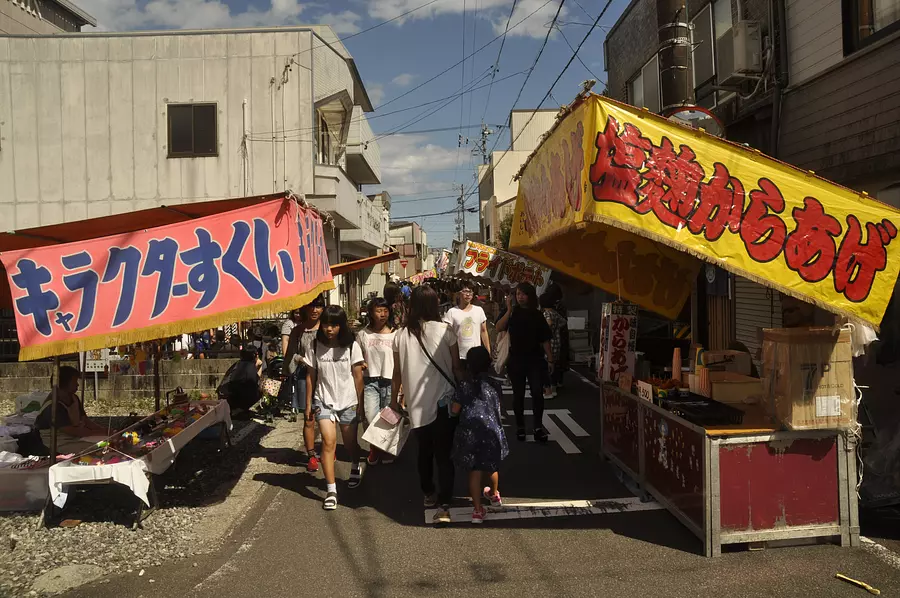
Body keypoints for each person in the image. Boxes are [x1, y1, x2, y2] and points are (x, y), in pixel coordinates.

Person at [391, 286, 462, 524]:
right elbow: (455, 367)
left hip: (416, 404)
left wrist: (393, 399)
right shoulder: (446, 331)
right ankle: (445, 499)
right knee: (444, 453)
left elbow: (397, 372)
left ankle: (428, 493)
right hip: (445, 402)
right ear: (434, 305)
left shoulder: (401, 335)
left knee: (424, 451)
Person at [304, 305, 366, 510]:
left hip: (348, 401)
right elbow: (311, 376)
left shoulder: (351, 346)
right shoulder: (314, 345)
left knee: (349, 445)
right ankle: (331, 490)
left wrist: (361, 405)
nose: (329, 329)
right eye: (325, 325)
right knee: (328, 443)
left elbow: (358, 377)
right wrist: (308, 405)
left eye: (334, 325)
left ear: (341, 326)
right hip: (323, 400)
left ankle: (356, 463)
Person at [451, 346, 509, 524]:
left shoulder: (464, 385)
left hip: (470, 432)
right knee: (491, 465)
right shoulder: (495, 384)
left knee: (475, 471)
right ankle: (494, 494)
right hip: (491, 429)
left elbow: (455, 410)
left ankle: (477, 511)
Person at [496, 283, 553, 443]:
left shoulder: (537, 314)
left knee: (537, 393)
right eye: (518, 294)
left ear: (531, 296)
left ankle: (537, 428)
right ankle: (520, 427)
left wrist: (550, 358)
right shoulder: (512, 313)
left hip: (535, 360)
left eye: (524, 294)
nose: (520, 297)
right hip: (516, 360)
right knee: (518, 395)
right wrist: (508, 309)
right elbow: (499, 327)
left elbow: (545, 339)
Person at [286, 296, 325, 470]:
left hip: (326, 376)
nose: (315, 310)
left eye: (318, 306)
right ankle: (311, 455)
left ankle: (328, 449)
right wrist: (303, 359)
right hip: (304, 375)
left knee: (327, 416)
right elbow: (290, 354)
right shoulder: (297, 331)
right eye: (311, 306)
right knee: (309, 417)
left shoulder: (327, 328)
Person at [357, 297, 396, 466]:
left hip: (390, 381)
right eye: (378, 311)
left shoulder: (396, 333)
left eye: (385, 310)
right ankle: (374, 448)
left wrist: (400, 389)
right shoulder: (362, 334)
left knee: (388, 419)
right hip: (370, 381)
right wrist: (361, 363)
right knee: (370, 416)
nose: (382, 314)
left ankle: (386, 449)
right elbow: (356, 358)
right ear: (371, 313)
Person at [35, 366, 110, 454]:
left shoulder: (74, 398)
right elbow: (75, 431)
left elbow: (86, 420)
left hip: (75, 437)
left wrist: (105, 430)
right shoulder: (53, 406)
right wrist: (103, 432)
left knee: (109, 442)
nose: (77, 384)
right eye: (75, 381)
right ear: (64, 383)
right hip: (58, 442)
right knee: (100, 449)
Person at [443, 282, 491, 370]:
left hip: (477, 356)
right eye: (465, 291)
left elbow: (483, 331)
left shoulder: (479, 310)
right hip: (459, 356)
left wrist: (488, 352)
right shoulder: (452, 312)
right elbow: (447, 335)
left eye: (470, 291)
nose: (468, 294)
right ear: (459, 294)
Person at [540, 293, 566, 399]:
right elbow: (564, 322)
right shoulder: (555, 313)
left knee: (546, 367)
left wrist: (545, 331)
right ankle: (554, 387)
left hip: (549, 343)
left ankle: (548, 390)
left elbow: (549, 324)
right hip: (557, 341)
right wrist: (556, 330)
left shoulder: (546, 313)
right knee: (554, 365)